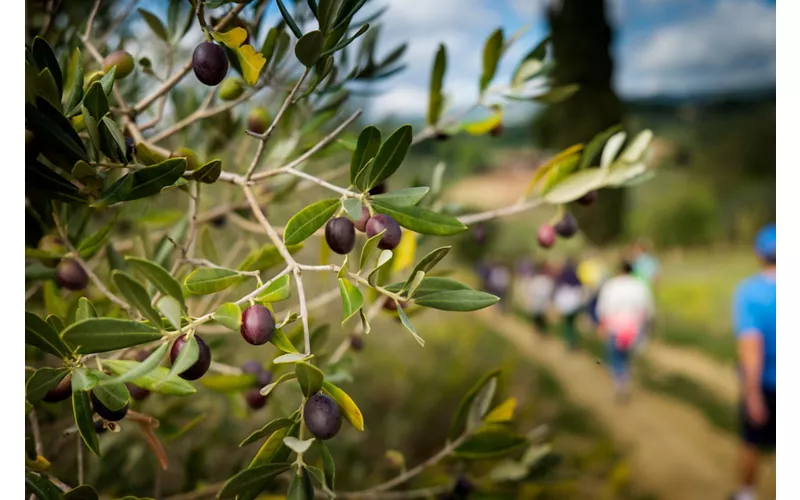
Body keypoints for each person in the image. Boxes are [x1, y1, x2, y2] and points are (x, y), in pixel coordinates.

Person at [730, 224, 776, 500]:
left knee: (752, 443)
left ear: (759, 254)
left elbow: (751, 348)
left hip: (769, 384)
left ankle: (746, 494)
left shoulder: (749, 292)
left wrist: (752, 394)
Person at [595, 259, 655, 401]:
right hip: (635, 327)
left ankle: (620, 382)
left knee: (616, 356)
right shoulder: (640, 286)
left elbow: (602, 308)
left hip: (615, 328)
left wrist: (602, 324)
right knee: (628, 357)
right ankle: (625, 379)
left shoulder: (611, 285)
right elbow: (648, 308)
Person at [553, 258, 584, 350]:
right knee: (571, 324)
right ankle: (572, 342)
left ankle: (569, 342)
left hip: (566, 304)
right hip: (574, 304)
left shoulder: (562, 276)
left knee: (567, 324)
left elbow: (558, 288)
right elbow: (580, 287)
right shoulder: (576, 275)